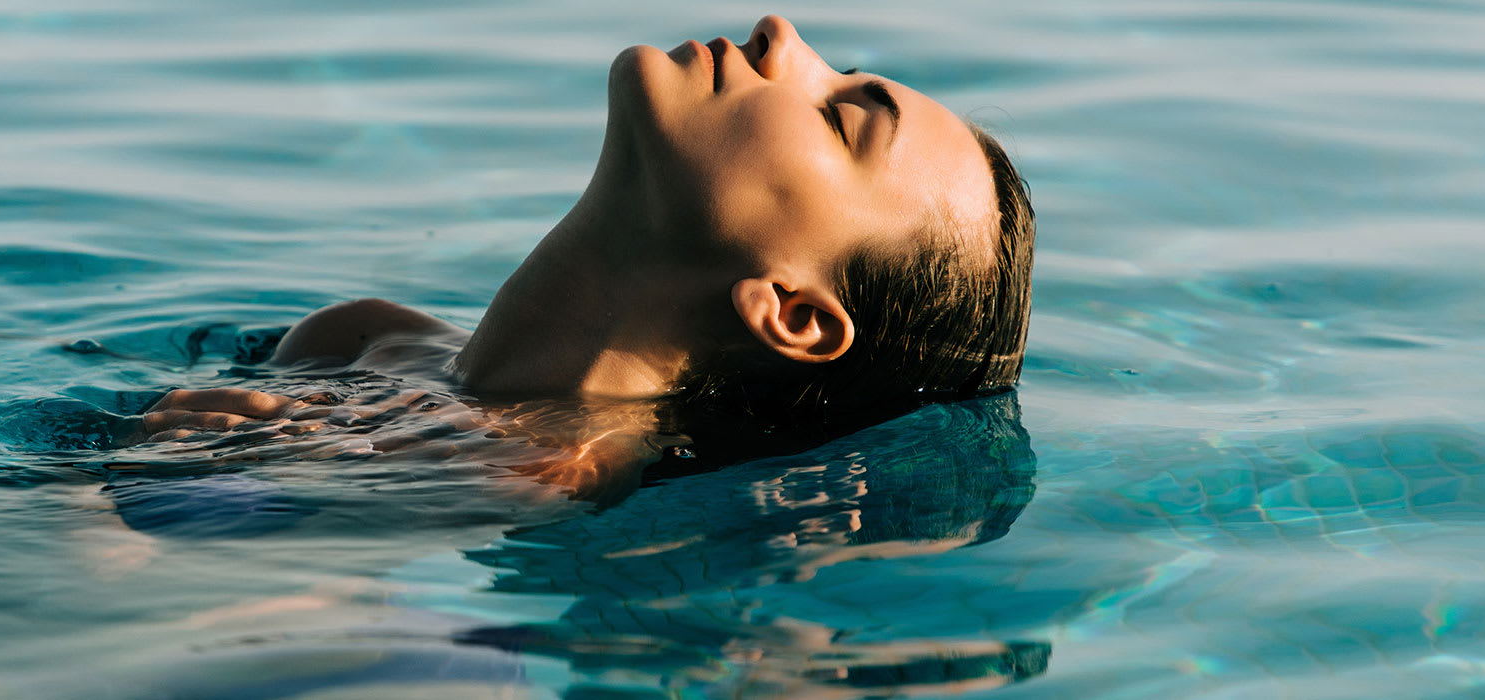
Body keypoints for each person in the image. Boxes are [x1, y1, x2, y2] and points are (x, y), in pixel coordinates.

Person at [131, 14, 1035, 493]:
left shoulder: (538, 474)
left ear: (790, 312)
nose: (779, 34)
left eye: (840, 116)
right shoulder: (359, 335)